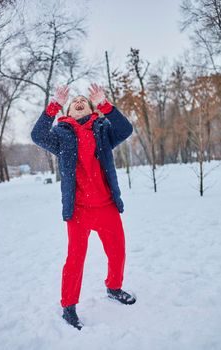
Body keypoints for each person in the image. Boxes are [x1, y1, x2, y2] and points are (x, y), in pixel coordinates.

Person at [31, 83, 136, 331]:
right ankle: (69, 307)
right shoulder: (60, 134)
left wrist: (105, 105)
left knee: (117, 251)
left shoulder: (103, 130)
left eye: (84, 100)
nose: (79, 101)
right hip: (78, 210)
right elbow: (37, 135)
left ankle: (113, 287)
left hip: (106, 206)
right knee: (75, 259)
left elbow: (126, 128)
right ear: (68, 111)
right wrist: (54, 105)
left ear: (90, 108)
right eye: (74, 101)